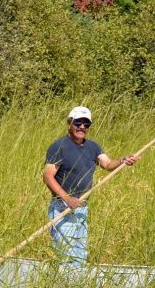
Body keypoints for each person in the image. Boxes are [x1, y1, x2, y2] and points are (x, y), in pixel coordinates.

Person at [43, 106, 140, 266]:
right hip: (63, 206)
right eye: (78, 123)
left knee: (80, 255)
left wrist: (123, 160)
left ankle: (76, 284)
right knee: (66, 256)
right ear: (70, 123)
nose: (82, 127)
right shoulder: (59, 146)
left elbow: (107, 164)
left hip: (82, 207)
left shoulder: (93, 147)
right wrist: (67, 198)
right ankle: (64, 284)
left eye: (86, 124)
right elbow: (47, 176)